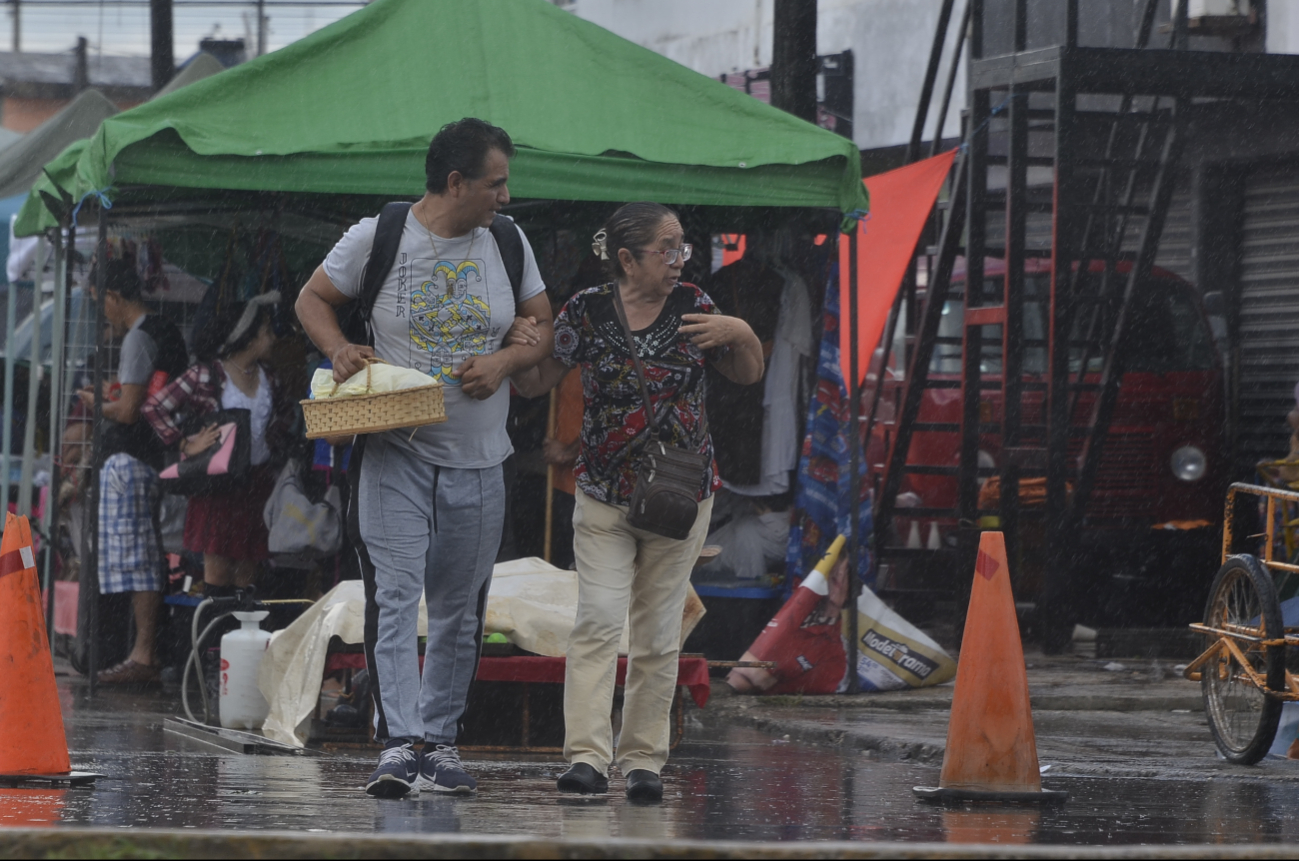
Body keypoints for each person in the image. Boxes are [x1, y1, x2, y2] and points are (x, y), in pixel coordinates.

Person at [294, 118, 553, 798]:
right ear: (455, 181)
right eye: (495, 182)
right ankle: (399, 741)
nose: (505, 195)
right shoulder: (377, 237)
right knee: (395, 595)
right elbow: (312, 298)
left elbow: (541, 325)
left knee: (460, 608)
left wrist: (504, 359)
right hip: (394, 453)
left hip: (480, 456)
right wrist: (338, 349)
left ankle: (439, 741)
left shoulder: (507, 239)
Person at [508, 202, 763, 801]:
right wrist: (518, 343)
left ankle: (644, 760)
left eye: (682, 249)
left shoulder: (697, 307)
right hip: (602, 495)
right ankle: (588, 757)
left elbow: (747, 375)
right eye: (665, 249)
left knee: (656, 633)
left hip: (679, 496)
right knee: (597, 621)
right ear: (627, 259)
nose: (678, 261)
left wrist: (741, 332)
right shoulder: (588, 312)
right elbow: (535, 380)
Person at [84, 259, 188, 685]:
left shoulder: (138, 339)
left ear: (114, 296)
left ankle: (141, 653)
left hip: (131, 461)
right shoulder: (166, 332)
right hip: (156, 459)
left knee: (137, 559)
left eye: (100, 302)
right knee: (143, 556)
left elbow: (127, 411)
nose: (102, 312)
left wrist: (95, 403)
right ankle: (141, 650)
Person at [142, 293, 289, 593]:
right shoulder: (206, 374)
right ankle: (216, 637)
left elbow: (282, 420)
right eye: (264, 332)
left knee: (248, 577)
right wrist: (184, 444)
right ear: (247, 337)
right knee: (218, 575)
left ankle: (241, 635)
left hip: (256, 485)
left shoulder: (270, 378)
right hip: (218, 487)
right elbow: (154, 408)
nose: (272, 338)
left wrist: (276, 447)